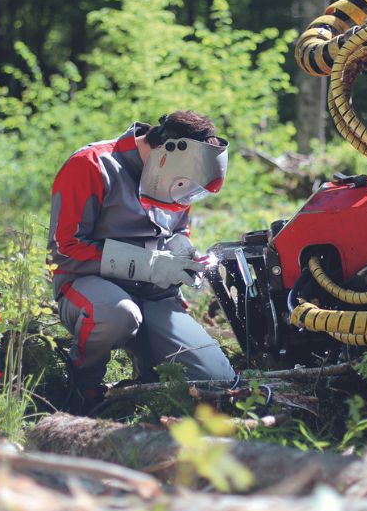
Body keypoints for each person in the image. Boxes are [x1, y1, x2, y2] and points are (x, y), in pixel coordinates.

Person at [47, 111, 236, 413]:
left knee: (216, 381)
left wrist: (182, 250)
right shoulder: (91, 165)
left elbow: (178, 227)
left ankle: (143, 379)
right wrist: (149, 264)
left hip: (155, 292)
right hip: (89, 286)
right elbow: (65, 248)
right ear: (167, 153)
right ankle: (82, 388)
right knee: (118, 313)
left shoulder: (177, 175)